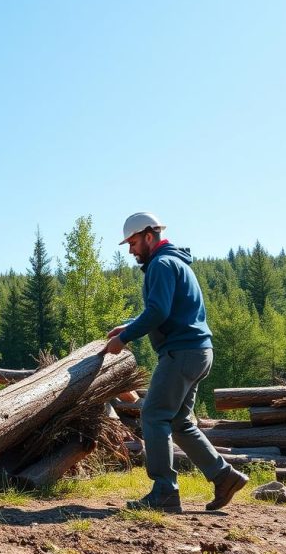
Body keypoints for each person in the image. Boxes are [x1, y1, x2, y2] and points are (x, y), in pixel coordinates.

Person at [104, 213, 248, 512]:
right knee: (179, 422)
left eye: (132, 243)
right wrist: (129, 323)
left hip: (180, 353)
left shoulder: (161, 264)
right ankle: (224, 477)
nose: (131, 250)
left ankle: (164, 491)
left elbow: (158, 312)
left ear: (148, 235)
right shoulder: (176, 263)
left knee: (154, 416)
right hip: (198, 352)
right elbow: (168, 310)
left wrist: (125, 338)